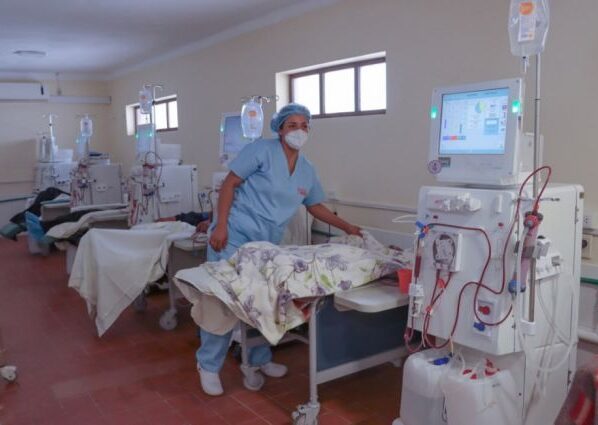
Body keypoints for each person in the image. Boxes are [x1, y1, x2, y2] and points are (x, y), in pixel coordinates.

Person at [197, 103, 362, 396]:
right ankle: (208, 365)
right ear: (280, 129)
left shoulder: (306, 170)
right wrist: (220, 225)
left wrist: (347, 227)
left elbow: (315, 206)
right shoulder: (261, 151)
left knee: (264, 301)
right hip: (233, 235)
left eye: (304, 125)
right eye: (292, 125)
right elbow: (229, 184)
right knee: (222, 302)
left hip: (265, 246)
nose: (299, 130)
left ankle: (258, 358)